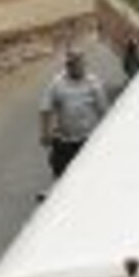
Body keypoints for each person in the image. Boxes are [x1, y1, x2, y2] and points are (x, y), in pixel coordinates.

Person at [39, 45, 108, 178]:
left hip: (88, 140)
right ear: (67, 65)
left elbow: (103, 111)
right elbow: (45, 108)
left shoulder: (93, 83)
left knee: (90, 176)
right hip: (65, 141)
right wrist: (45, 132)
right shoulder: (57, 83)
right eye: (71, 64)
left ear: (84, 63)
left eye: (78, 62)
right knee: (61, 174)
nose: (74, 66)